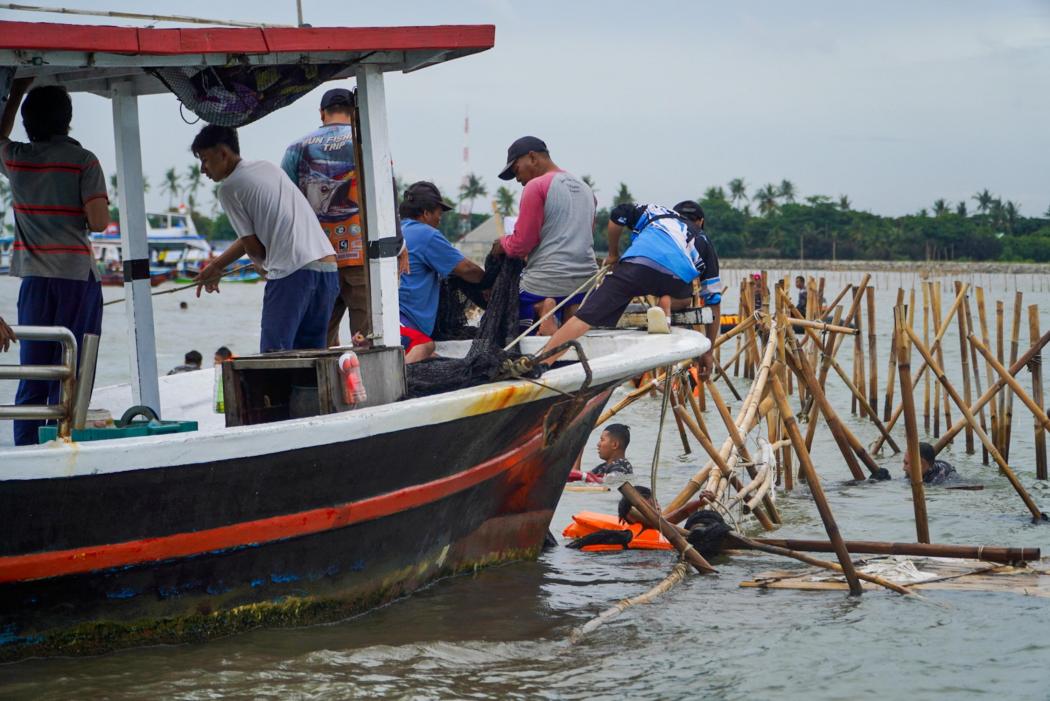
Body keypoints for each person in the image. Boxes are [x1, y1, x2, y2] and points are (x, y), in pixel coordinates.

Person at [1, 79, 109, 445]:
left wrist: (14, 94)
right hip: (76, 278)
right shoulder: (83, 161)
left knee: (35, 372)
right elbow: (98, 222)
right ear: (67, 121)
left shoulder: (17, 158)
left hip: (34, 281)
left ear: (28, 124)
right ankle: (63, 444)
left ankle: (27, 449)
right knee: (73, 371)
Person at [191, 125, 339, 353]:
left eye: (205, 160)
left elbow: (255, 249)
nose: (203, 169)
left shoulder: (229, 189)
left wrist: (264, 268)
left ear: (223, 154)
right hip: (327, 267)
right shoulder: (267, 168)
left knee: (274, 357)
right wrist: (217, 265)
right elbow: (254, 236)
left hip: (292, 272)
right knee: (312, 357)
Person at [281, 88, 408, 347]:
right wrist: (400, 246)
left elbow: (284, 205)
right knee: (368, 339)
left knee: (317, 339)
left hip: (315, 259)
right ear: (354, 112)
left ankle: (319, 387)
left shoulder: (297, 148)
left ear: (321, 112)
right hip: (362, 258)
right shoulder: (370, 144)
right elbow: (388, 200)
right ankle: (365, 386)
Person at [540, 202, 722, 377]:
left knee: (584, 317)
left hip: (637, 264)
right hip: (675, 277)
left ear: (675, 212)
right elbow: (714, 302)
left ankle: (541, 362)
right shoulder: (705, 242)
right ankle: (668, 300)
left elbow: (617, 215)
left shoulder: (656, 211)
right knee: (686, 296)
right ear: (701, 222)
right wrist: (708, 351)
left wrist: (613, 254)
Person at [492, 136, 598, 335]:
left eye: (516, 170)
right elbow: (586, 236)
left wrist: (502, 243)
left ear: (532, 158)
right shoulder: (587, 190)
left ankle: (541, 307)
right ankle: (570, 315)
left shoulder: (536, 186)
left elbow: (520, 245)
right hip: (586, 284)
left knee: (505, 303)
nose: (517, 179)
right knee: (572, 304)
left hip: (545, 283)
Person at [398, 181, 484, 363]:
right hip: (403, 323)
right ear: (425, 213)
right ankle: (394, 386)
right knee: (427, 346)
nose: (440, 218)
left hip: (394, 321)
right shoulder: (426, 234)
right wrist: (491, 283)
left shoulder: (398, 230)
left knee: (437, 358)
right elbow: (467, 269)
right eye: (439, 212)